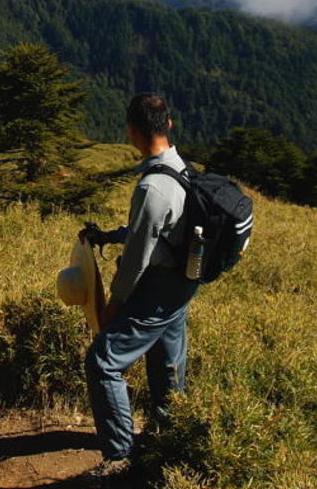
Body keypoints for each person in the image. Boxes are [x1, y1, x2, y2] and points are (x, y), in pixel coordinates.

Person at [78, 93, 197, 486]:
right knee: (166, 363)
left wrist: (115, 301)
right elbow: (159, 231)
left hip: (157, 289)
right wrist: (111, 235)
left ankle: (120, 460)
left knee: (103, 362)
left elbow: (138, 257)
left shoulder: (151, 187)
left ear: (131, 130)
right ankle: (169, 438)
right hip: (183, 284)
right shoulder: (182, 168)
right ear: (170, 125)